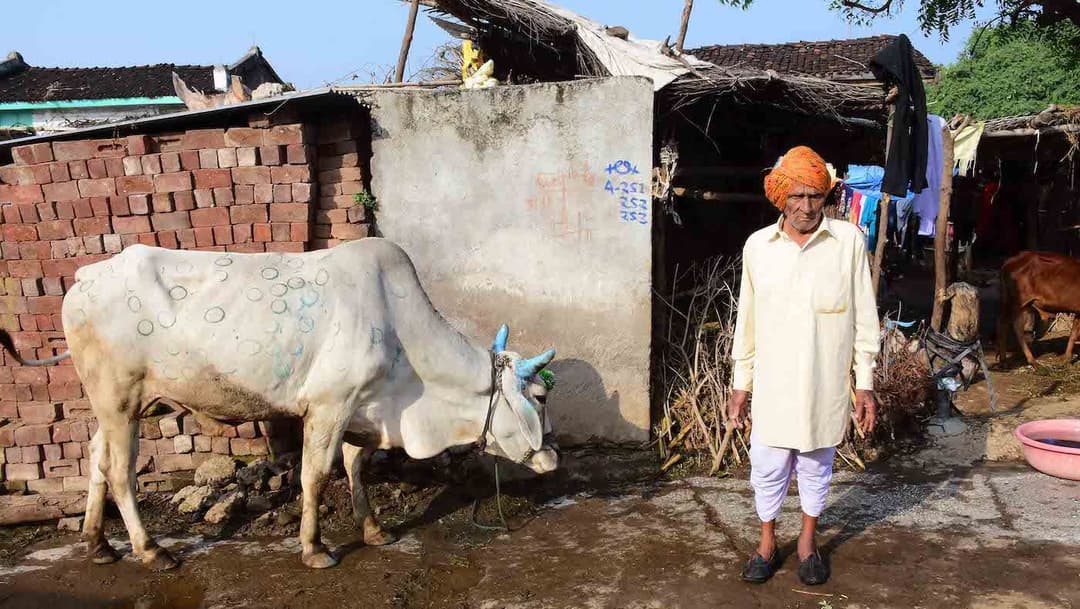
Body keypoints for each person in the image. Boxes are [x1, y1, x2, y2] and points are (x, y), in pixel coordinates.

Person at [728, 146, 879, 586]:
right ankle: (767, 543)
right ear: (780, 198)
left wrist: (864, 383)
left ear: (827, 198)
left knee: (816, 464)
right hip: (774, 384)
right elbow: (747, 320)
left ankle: (808, 545)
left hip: (824, 382)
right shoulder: (758, 246)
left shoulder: (848, 240)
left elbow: (863, 315)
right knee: (768, 466)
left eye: (816, 196)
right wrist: (741, 384)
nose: (807, 207)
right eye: (797, 196)